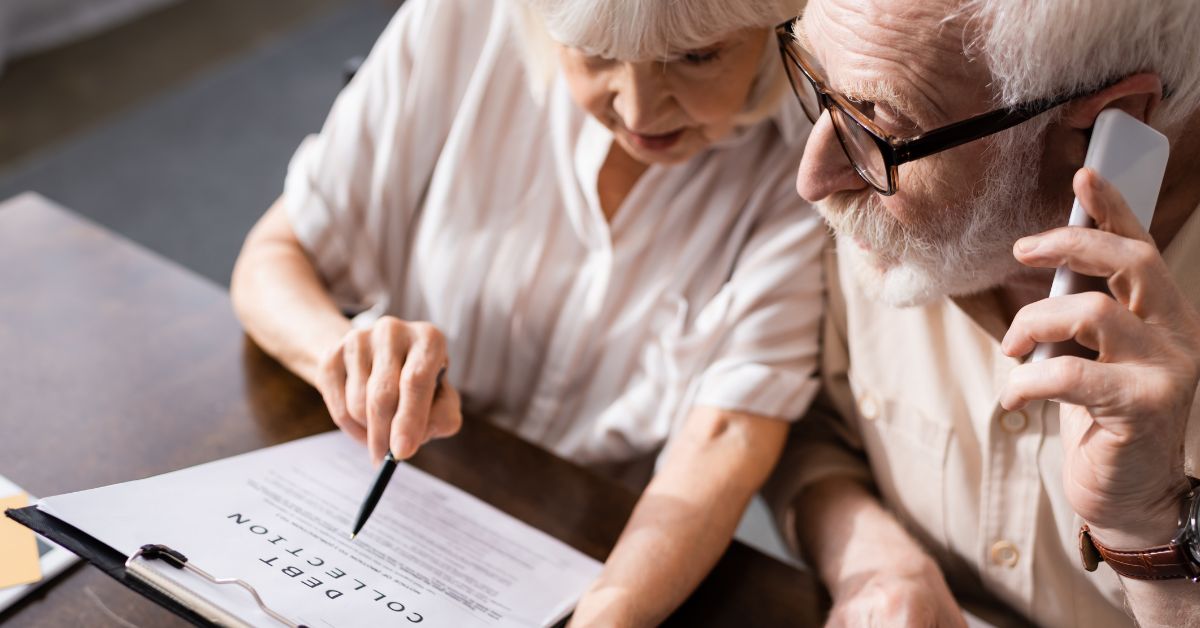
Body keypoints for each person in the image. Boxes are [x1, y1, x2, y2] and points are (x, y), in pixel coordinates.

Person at [231, 0, 821, 622]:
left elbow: (728, 433)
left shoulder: (812, 149)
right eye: (595, 54)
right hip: (394, 484)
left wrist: (608, 618)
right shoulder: (462, 21)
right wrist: (346, 357)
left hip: (592, 545)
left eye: (696, 57)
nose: (639, 112)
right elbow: (276, 254)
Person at [764, 0, 1200, 626]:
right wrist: (870, 558)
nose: (812, 178)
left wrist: (1147, 525)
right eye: (816, 80)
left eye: (879, 125)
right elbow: (808, 427)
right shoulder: (873, 210)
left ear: (1106, 125)